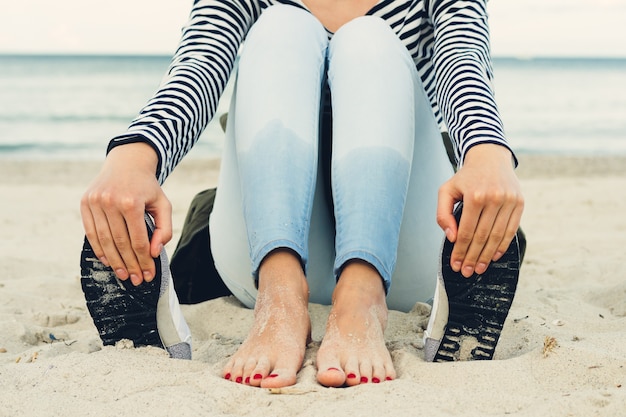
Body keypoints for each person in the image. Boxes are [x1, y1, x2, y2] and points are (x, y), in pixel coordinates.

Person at [80, 0, 524, 389]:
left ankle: (363, 298)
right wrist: (135, 158)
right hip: (262, 260)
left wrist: (486, 151)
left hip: (398, 262)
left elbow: (463, 57)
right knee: (281, 26)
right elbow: (201, 62)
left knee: (368, 37)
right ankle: (281, 299)